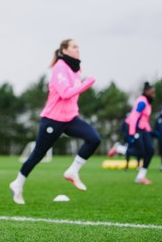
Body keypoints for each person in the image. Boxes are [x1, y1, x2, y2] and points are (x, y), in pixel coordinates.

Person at [9, 39, 101, 205]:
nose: (78, 49)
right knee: (38, 153)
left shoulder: (76, 69)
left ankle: (72, 172)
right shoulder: (60, 67)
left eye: (78, 46)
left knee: (94, 138)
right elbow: (65, 93)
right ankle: (18, 184)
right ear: (64, 50)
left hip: (71, 118)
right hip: (53, 119)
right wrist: (87, 84)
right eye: (74, 47)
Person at [125, 82, 156, 185]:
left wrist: (150, 131)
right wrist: (132, 133)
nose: (153, 95)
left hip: (144, 130)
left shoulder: (147, 102)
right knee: (141, 152)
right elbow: (134, 117)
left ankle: (140, 177)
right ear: (146, 92)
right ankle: (119, 148)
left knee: (150, 151)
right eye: (152, 93)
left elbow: (145, 119)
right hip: (137, 129)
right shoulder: (142, 102)